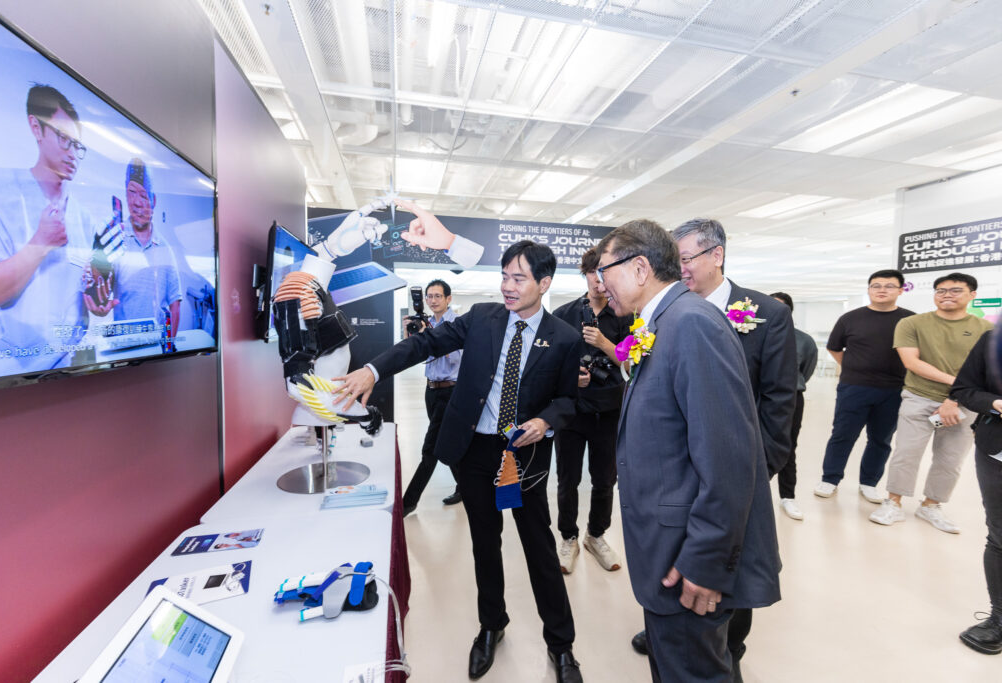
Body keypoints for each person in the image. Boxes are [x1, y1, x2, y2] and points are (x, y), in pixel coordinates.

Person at [333, 215, 584, 683]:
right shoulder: (483, 319)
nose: (508, 286)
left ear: (544, 284)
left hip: (524, 459)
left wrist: (546, 420)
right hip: (475, 454)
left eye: (519, 278)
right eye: (504, 276)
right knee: (484, 546)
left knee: (539, 550)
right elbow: (425, 344)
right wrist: (373, 369)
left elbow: (570, 399)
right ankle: (492, 626)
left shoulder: (564, 338)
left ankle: (562, 644)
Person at [595, 219, 780, 682]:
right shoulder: (660, 321)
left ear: (640, 268)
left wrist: (706, 560)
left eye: (604, 271)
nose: (599, 286)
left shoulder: (691, 324)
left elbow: (728, 457)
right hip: (666, 546)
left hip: (687, 561)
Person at [0, 84, 94, 375]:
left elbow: (84, 302)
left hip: (71, 373)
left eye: (77, 146)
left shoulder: (84, 217)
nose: (72, 154)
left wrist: (99, 303)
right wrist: (41, 242)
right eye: (64, 139)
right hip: (14, 375)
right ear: (36, 128)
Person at [870, 272, 992, 533]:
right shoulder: (912, 323)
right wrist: (959, 386)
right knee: (907, 453)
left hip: (967, 404)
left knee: (950, 459)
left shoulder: (987, 330)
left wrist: (955, 398)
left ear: (972, 295)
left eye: (955, 290)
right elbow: (912, 362)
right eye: (941, 290)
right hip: (919, 396)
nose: (947, 295)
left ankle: (931, 505)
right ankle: (893, 502)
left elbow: (988, 372)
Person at [551, 246, 632, 574]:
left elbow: (632, 364)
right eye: (593, 273)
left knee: (605, 479)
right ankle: (568, 536)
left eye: (605, 272)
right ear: (584, 274)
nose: (599, 281)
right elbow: (550, 368)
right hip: (571, 412)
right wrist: (574, 380)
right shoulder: (563, 315)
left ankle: (595, 535)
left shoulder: (627, 317)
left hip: (610, 411)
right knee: (567, 479)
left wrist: (603, 343)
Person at [813, 270, 914, 502]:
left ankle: (869, 483)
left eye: (888, 286)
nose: (881, 290)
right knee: (842, 434)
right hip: (854, 387)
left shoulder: (910, 320)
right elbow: (834, 348)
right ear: (868, 289)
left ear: (900, 290)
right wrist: (852, 368)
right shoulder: (850, 318)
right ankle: (830, 479)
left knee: (881, 439)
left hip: (894, 389)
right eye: (875, 285)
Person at [950, 328, 1002, 654]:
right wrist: (996, 402)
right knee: (1000, 537)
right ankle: (999, 620)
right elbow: (965, 389)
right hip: (997, 453)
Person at [95, 159, 182, 349]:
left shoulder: (165, 249)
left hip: (156, 347)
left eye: (143, 195)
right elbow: (99, 295)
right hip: (123, 346)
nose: (136, 203)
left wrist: (170, 347)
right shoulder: (115, 241)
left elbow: (175, 304)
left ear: (154, 200)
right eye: (131, 193)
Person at [401, 279, 463, 516]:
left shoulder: (457, 324)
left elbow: (456, 357)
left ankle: (409, 502)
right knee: (444, 441)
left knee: (431, 448)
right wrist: (414, 337)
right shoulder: (426, 323)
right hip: (431, 391)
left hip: (451, 391)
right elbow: (415, 355)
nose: (433, 300)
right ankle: (465, 487)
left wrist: (434, 337)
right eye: (429, 296)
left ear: (448, 298)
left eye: (438, 296)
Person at [770, 292, 818, 521]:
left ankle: (788, 496)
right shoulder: (751, 333)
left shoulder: (803, 340)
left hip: (790, 397)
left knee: (787, 446)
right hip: (755, 396)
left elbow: (806, 370)